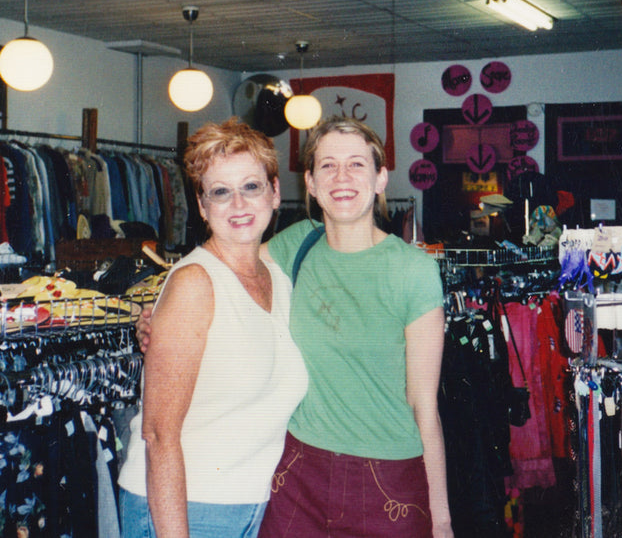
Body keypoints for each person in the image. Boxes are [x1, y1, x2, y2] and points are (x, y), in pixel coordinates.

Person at [137, 116, 453, 538]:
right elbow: (216, 267)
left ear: (381, 179)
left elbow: (424, 409)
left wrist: (443, 519)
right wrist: (158, 315)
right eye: (327, 165)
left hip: (388, 475)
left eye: (357, 164)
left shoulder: (413, 271)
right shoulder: (296, 245)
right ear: (309, 182)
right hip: (297, 476)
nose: (341, 177)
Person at [118, 118, 308, 538]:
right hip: (185, 509)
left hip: (256, 505)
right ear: (202, 207)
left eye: (251, 187)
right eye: (220, 192)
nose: (238, 204)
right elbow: (158, 433)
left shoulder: (279, 279)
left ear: (275, 194)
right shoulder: (194, 283)